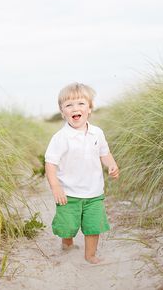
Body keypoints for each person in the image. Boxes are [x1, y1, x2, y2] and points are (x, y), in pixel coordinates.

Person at [45, 83, 119, 264]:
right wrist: (56, 187)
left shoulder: (97, 133)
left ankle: (90, 255)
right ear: (62, 112)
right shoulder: (61, 138)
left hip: (94, 192)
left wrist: (111, 165)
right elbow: (50, 163)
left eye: (80, 104)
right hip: (68, 193)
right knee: (67, 226)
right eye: (69, 105)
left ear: (90, 108)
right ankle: (67, 242)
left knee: (94, 225)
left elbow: (104, 153)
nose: (75, 108)